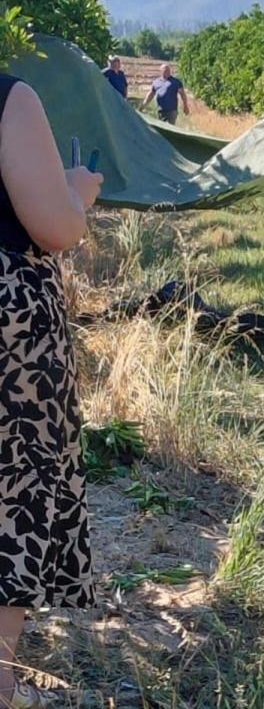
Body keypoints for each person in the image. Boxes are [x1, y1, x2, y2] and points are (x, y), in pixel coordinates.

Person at [0, 74, 102, 708]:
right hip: (11, 326)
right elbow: (55, 228)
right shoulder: (11, 99)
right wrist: (77, 192)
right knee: (15, 484)